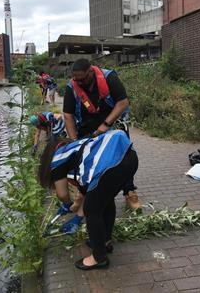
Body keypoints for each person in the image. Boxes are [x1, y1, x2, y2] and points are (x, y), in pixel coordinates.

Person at [38, 129, 139, 270]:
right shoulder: (79, 149)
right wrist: (77, 216)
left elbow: (62, 194)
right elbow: (90, 192)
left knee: (92, 210)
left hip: (111, 162)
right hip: (130, 156)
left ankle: (98, 258)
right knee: (106, 201)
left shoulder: (57, 158)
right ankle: (105, 241)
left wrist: (67, 204)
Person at [63, 58, 140, 210]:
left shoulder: (109, 77)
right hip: (87, 129)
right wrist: (74, 141)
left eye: (83, 78)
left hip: (113, 124)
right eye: (77, 79)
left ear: (91, 71)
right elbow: (68, 115)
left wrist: (105, 125)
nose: (80, 82)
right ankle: (83, 195)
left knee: (123, 159)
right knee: (87, 162)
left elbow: (123, 102)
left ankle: (129, 192)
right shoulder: (72, 87)